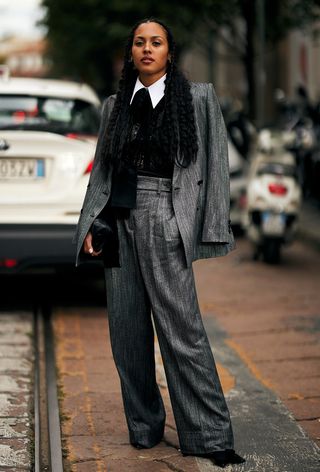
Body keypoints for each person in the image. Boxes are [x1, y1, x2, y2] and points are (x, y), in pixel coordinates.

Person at [74, 18, 245, 469]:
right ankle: (144, 427)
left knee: (182, 330)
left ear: (170, 51)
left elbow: (216, 165)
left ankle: (210, 435)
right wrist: (94, 222)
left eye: (156, 42)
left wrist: (200, 225)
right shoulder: (115, 106)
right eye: (139, 43)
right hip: (118, 222)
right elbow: (103, 174)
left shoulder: (197, 98)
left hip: (165, 215)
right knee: (126, 334)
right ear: (131, 53)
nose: (147, 49)